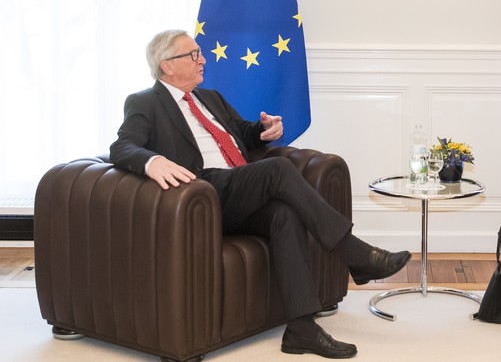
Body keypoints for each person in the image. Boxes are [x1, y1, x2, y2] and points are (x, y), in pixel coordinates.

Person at [110, 29, 412, 359]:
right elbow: (122, 146)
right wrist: (152, 161)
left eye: (200, 53)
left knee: (284, 214)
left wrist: (263, 129)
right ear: (167, 65)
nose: (203, 59)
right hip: (203, 195)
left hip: (235, 189)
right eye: (194, 54)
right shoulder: (144, 102)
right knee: (279, 170)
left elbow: (240, 133)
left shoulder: (209, 97)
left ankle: (301, 329)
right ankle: (356, 254)